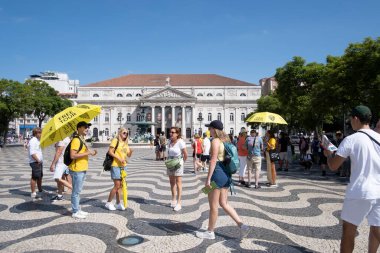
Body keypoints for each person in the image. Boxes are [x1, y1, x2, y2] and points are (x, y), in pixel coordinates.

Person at [324, 105, 380, 253]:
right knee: (378, 230)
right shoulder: (379, 138)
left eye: (350, 118)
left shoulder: (351, 139)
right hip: (379, 191)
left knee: (348, 232)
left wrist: (328, 155)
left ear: (356, 118)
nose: (350, 122)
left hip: (359, 192)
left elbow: (334, 166)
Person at [195, 120, 251, 240]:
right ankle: (242, 226)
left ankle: (210, 232)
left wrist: (208, 179)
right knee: (224, 203)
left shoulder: (215, 141)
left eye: (210, 128)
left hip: (217, 174)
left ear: (214, 129)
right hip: (226, 175)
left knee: (213, 205)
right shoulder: (226, 140)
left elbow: (214, 160)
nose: (208, 130)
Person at [69, 122, 97, 219]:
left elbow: (84, 152)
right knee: (76, 192)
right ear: (79, 128)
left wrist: (91, 153)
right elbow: (72, 155)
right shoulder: (76, 140)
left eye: (88, 127)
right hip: (77, 169)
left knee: (78, 191)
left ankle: (78, 209)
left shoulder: (82, 139)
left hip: (82, 168)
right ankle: (75, 211)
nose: (87, 129)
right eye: (85, 127)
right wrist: (87, 153)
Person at [105, 128, 132, 211]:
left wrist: (131, 152)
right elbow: (110, 152)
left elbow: (128, 155)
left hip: (123, 166)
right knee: (117, 185)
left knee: (120, 186)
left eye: (127, 133)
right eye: (124, 133)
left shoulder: (125, 143)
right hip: (115, 165)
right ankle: (108, 203)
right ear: (120, 133)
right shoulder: (115, 140)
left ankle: (118, 203)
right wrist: (119, 159)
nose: (125, 134)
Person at [167, 127, 188, 211]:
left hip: (178, 163)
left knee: (178, 183)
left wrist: (182, 162)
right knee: (172, 182)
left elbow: (185, 154)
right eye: (170, 132)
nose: (171, 134)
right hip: (170, 163)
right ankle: (173, 199)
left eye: (172, 132)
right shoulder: (169, 141)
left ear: (177, 134)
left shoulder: (180, 142)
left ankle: (179, 202)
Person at [50, 136, 72, 201]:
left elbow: (59, 152)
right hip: (64, 161)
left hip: (61, 162)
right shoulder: (66, 138)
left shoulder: (62, 139)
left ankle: (73, 188)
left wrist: (53, 163)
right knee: (61, 178)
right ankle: (59, 195)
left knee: (57, 178)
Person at [28, 127, 43, 199]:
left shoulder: (37, 140)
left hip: (38, 162)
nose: (41, 134)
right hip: (35, 162)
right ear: (35, 133)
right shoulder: (33, 141)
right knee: (34, 177)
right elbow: (32, 153)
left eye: (41, 132)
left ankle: (40, 190)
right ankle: (33, 192)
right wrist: (38, 160)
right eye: (39, 133)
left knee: (39, 176)